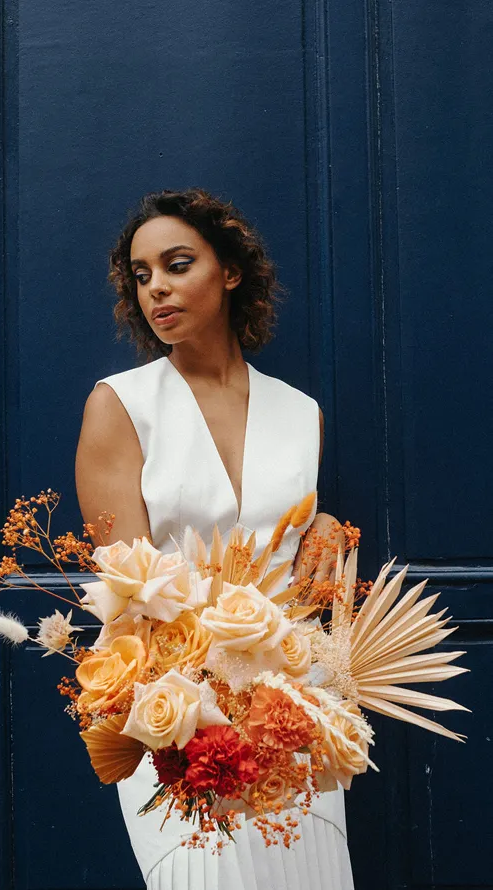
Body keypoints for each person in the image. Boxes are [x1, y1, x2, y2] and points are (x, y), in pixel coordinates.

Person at [75, 188, 355, 890]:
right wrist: (198, 715)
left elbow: (291, 562)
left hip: (296, 708)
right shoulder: (120, 406)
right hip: (177, 718)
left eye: (176, 265)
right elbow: (127, 597)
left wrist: (324, 533)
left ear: (229, 272)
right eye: (141, 276)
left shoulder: (302, 414)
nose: (156, 289)